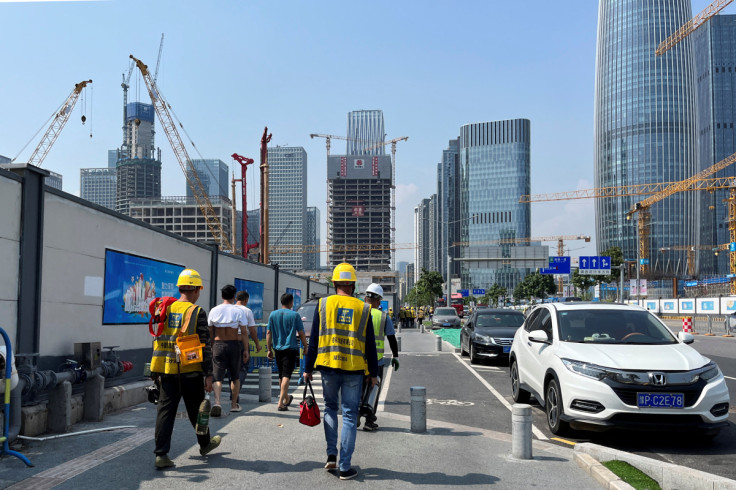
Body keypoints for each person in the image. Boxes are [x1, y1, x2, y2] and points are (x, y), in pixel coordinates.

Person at [304, 263, 378, 481]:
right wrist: (373, 373)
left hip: (327, 366)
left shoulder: (323, 304)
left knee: (330, 408)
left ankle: (331, 456)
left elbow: (314, 341)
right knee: (348, 414)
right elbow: (371, 346)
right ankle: (345, 467)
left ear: (334, 283)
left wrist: (308, 369)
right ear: (353, 285)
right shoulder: (363, 308)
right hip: (354, 369)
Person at [150, 268, 221, 469]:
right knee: (197, 411)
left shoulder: (163, 308)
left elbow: (156, 340)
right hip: (190, 370)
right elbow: (204, 345)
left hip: (165, 369)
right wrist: (209, 374)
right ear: (196, 289)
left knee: (165, 411)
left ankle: (161, 455)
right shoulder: (196, 311)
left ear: (180, 287)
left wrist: (154, 371)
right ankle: (205, 444)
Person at [359, 283, 399, 431]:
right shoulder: (383, 317)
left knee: (359, 388)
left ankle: (356, 413)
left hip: (359, 359)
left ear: (365, 298)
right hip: (378, 361)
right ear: (379, 301)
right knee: (374, 389)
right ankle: (369, 421)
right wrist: (396, 356)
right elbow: (391, 339)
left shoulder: (359, 313)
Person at [208, 284, 249, 416]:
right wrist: (246, 350)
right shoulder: (239, 311)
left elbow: (210, 331)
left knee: (217, 377)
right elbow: (243, 333)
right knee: (235, 376)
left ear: (222, 296)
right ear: (233, 296)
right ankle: (234, 404)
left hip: (218, 344)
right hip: (234, 345)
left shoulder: (214, 310)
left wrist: (211, 346)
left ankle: (218, 403)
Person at [266, 292, 307, 411]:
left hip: (277, 348)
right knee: (286, 375)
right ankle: (280, 403)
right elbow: (301, 332)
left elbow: (268, 333)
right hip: (290, 348)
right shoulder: (295, 315)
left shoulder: (273, 314)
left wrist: (269, 349)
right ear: (291, 302)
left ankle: (286, 398)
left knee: (281, 375)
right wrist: (305, 346)